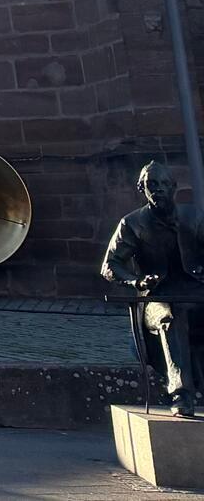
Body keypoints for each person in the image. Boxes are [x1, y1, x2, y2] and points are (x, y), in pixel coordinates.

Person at [103, 161, 204, 416]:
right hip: (156, 297)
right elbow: (110, 265)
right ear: (142, 189)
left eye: (163, 184)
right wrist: (136, 282)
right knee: (171, 317)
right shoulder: (132, 223)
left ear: (174, 187)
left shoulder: (195, 217)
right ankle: (181, 394)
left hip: (195, 290)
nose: (157, 189)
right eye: (151, 185)